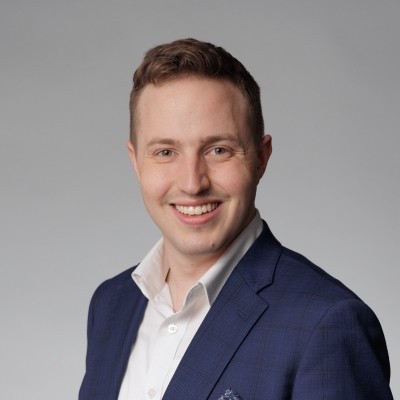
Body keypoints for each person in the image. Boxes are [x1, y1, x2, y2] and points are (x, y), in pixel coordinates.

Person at [79, 38, 393, 400]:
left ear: (261, 158)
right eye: (165, 152)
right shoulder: (111, 305)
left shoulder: (326, 324)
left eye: (218, 150)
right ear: (136, 162)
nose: (192, 183)